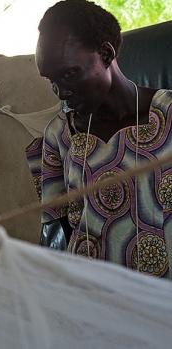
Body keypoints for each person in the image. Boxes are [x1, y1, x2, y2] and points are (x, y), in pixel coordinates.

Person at [27, 0, 172, 278]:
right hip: (94, 296)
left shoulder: (167, 116)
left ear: (106, 54)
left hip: (164, 300)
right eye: (50, 79)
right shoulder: (59, 136)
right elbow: (55, 233)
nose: (60, 91)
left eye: (70, 74)